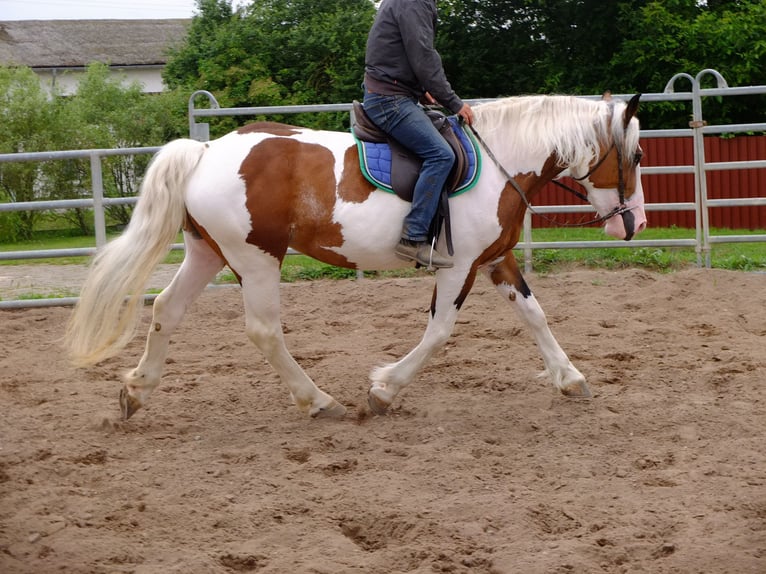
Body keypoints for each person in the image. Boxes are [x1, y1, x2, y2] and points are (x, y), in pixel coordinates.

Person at [363, 0, 474, 269]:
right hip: (390, 101)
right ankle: (413, 238)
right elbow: (423, 55)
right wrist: (454, 102)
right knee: (441, 155)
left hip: (393, 92)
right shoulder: (414, 2)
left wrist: (417, 87)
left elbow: (398, 52)